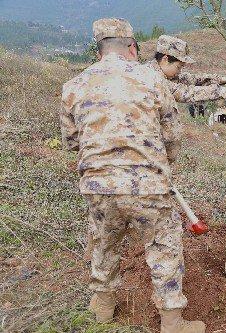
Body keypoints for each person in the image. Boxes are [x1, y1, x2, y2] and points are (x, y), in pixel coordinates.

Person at [60, 18, 205, 332]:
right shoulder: (152, 80)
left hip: (97, 185)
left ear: (99, 50)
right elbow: (171, 133)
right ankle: (172, 323)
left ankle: (101, 308)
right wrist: (165, 166)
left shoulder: (74, 85)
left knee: (103, 243)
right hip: (147, 184)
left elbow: (71, 141)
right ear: (132, 48)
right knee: (164, 246)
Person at [147, 35, 226, 104]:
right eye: (178, 67)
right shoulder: (152, 78)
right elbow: (187, 92)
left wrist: (223, 79)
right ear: (165, 59)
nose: (179, 72)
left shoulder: (160, 72)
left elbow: (190, 78)